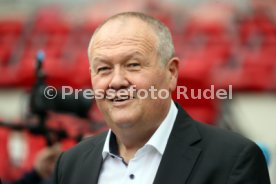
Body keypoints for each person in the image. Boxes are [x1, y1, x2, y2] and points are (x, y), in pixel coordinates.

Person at [53, 12, 270, 184]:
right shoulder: (70, 164)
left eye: (133, 65)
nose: (116, 81)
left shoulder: (233, 160)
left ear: (171, 73)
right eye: (103, 68)